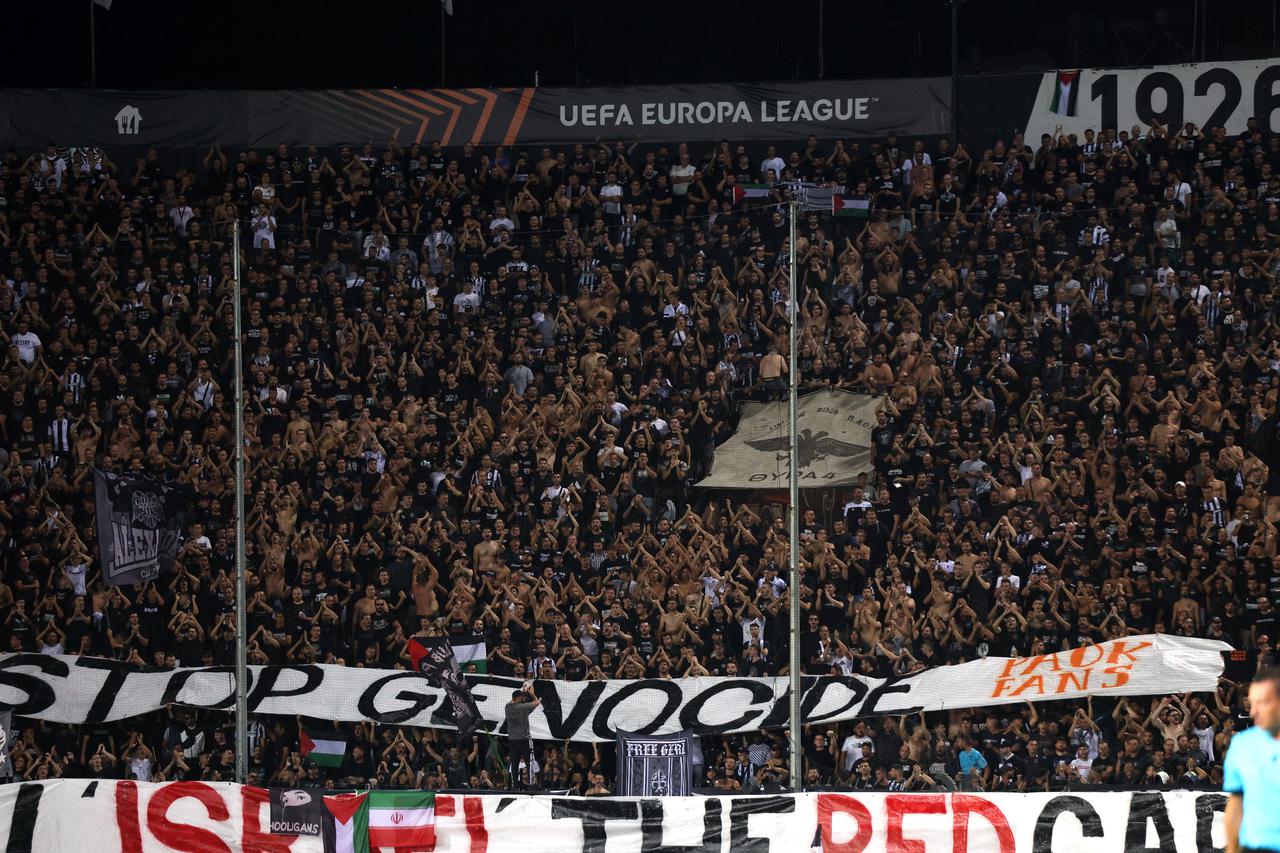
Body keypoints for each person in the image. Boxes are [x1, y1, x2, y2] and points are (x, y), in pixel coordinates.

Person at [1224, 668, 1280, 853]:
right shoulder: (1242, 745)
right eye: (1252, 703)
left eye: (1262, 703)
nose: (1253, 711)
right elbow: (1235, 804)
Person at [505, 682, 540, 788]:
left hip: (512, 740)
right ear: (519, 697)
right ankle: (531, 782)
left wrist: (523, 690)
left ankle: (514, 785)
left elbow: (527, 707)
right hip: (524, 739)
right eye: (523, 697)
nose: (524, 698)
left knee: (514, 763)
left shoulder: (507, 707)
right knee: (529, 762)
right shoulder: (522, 707)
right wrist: (532, 693)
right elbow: (536, 702)